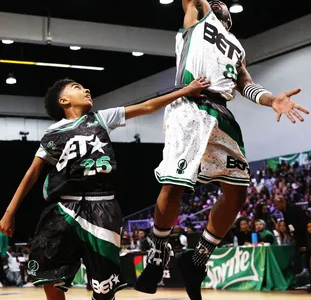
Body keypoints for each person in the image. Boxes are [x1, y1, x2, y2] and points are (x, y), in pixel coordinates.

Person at [135, 0, 309, 300]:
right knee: (174, 184)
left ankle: (198, 258)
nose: (215, 2)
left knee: (238, 190)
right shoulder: (197, 15)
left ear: (230, 17)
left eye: (221, 5)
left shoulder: (238, 47)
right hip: (190, 105)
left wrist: (271, 99)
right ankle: (158, 250)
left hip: (223, 114)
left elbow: (245, 84)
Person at [0, 77, 210, 300]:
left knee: (104, 289)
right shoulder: (53, 133)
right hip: (63, 209)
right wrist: (9, 211)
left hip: (103, 207)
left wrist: (185, 91)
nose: (86, 89)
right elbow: (32, 173)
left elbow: (147, 106)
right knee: (51, 278)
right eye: (77, 88)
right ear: (63, 100)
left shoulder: (100, 118)